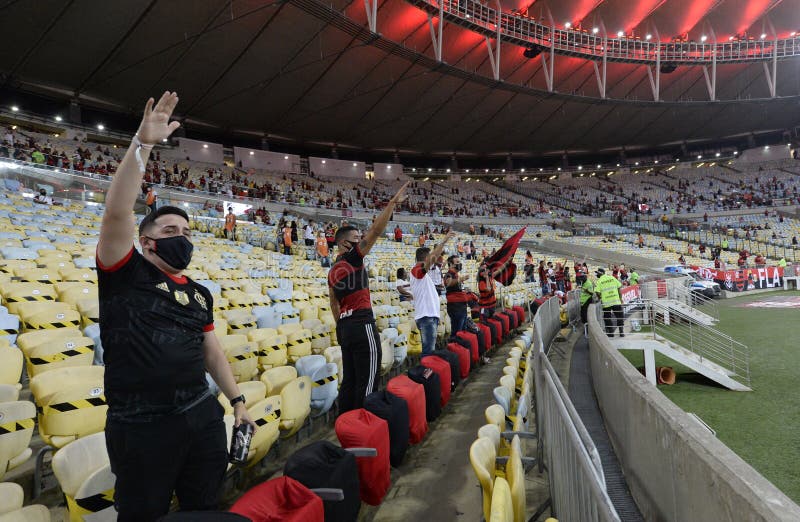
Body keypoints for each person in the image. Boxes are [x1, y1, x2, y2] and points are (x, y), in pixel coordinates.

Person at [96, 92, 254, 521]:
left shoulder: (200, 293)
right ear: (147, 241)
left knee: (203, 506)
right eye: (170, 229)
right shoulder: (123, 272)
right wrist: (142, 145)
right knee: (144, 513)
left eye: (185, 229)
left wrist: (236, 399)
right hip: (142, 425)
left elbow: (211, 351)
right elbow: (115, 215)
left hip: (200, 414)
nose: (181, 235)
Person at [328, 182, 409, 413]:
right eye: (356, 237)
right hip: (361, 324)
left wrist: (342, 324)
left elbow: (333, 303)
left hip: (344, 326)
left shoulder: (332, 270)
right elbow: (375, 231)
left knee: (350, 381)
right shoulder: (352, 258)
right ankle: (364, 428)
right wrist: (392, 203)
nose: (360, 239)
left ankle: (346, 425)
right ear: (345, 243)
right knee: (368, 381)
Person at [410, 231, 455, 356]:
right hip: (426, 317)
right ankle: (425, 373)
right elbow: (432, 259)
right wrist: (444, 241)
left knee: (430, 351)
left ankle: (427, 372)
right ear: (426, 259)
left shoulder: (422, 274)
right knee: (428, 353)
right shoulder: (416, 270)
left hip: (428, 316)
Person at [444, 254, 470, 339]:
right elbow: (448, 282)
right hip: (455, 307)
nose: (459, 264)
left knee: (462, 330)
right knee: (457, 332)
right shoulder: (449, 274)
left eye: (459, 262)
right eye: (457, 262)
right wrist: (460, 279)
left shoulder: (456, 275)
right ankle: (455, 347)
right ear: (451, 264)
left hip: (461, 306)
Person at [477, 257, 511, 322]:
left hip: (492, 305)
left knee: (492, 322)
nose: (486, 271)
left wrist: (507, 262)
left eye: (486, 269)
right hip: (485, 307)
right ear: (481, 273)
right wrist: (487, 278)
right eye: (484, 270)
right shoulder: (481, 283)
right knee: (484, 322)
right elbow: (489, 289)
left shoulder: (490, 277)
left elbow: (499, 270)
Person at [594, 268, 623, 337]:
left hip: (606, 303)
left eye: (597, 273)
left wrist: (600, 298)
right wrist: (620, 298)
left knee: (607, 318)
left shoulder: (599, 281)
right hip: (616, 301)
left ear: (601, 273)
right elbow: (619, 287)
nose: (596, 275)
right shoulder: (612, 278)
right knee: (619, 316)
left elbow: (597, 292)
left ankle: (611, 332)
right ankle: (621, 332)